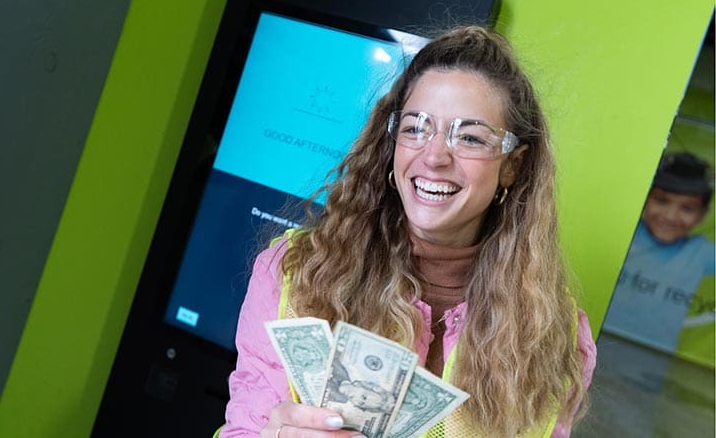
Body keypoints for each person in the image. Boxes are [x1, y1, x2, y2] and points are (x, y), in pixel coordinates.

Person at [221, 26, 596, 437]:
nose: (433, 155)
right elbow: (242, 427)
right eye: (416, 127)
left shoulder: (553, 334)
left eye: (470, 137)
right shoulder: (295, 273)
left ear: (513, 165)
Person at [603, 152, 714, 354]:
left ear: (703, 215)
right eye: (662, 201)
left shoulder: (701, 252)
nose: (670, 216)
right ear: (645, 197)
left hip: (652, 360)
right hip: (595, 342)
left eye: (687, 208)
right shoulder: (622, 231)